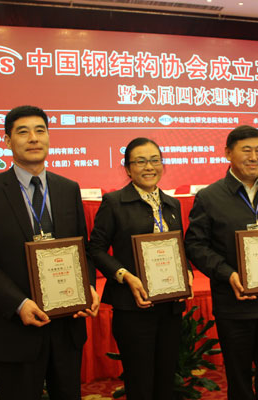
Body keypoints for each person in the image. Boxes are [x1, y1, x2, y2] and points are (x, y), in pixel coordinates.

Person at [0, 105, 99, 400]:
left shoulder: (68, 188)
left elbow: (82, 249)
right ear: (7, 140)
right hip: (15, 328)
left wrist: (87, 286)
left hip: (67, 326)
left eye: (40, 130)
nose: (34, 138)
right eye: (23, 132)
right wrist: (18, 303)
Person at [184, 125, 258, 400]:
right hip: (233, 303)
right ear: (228, 153)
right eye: (246, 150)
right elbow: (196, 245)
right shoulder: (209, 197)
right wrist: (228, 274)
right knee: (238, 379)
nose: (254, 157)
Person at [89, 137, 192, 400]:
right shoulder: (114, 202)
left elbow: (179, 247)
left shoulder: (172, 204)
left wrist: (188, 272)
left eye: (155, 160)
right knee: (140, 381)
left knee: (165, 378)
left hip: (169, 307)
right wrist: (124, 276)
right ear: (127, 168)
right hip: (133, 307)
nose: (149, 167)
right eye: (140, 161)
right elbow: (96, 249)